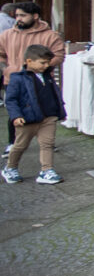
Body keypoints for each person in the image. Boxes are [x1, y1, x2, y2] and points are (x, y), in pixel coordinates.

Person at [0, 2, 64, 157]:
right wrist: (5, 69)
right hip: (14, 79)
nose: (18, 19)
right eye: (16, 16)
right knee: (15, 111)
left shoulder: (49, 35)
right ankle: (12, 143)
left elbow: (59, 55)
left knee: (45, 110)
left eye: (23, 15)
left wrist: (43, 67)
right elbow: (0, 54)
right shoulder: (7, 35)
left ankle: (47, 142)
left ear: (35, 16)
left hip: (40, 80)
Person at [3, 44, 65, 184]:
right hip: (27, 118)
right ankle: (10, 167)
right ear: (29, 61)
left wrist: (58, 110)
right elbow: (11, 100)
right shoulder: (18, 78)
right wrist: (16, 116)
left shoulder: (47, 76)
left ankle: (46, 170)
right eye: (42, 62)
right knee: (20, 145)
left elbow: (54, 94)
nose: (46, 65)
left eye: (47, 62)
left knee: (47, 144)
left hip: (48, 116)